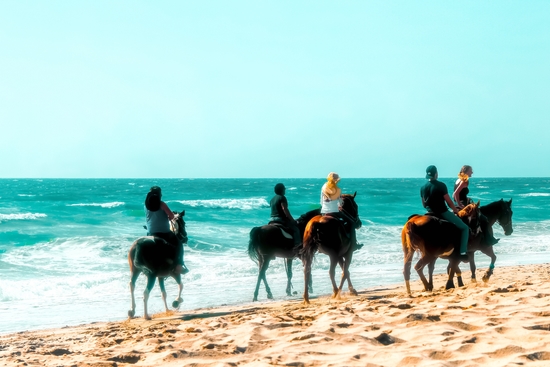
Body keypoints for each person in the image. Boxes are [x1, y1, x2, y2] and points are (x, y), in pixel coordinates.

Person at [420, 165, 469, 262]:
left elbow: (424, 204)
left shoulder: (423, 187)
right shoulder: (441, 185)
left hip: (429, 213)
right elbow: (449, 202)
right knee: (465, 228)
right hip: (442, 212)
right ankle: (463, 252)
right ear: (436, 174)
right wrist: (455, 210)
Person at [145, 186, 188, 275]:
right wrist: (171, 216)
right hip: (164, 232)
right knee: (179, 244)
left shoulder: (146, 205)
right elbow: (171, 216)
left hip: (150, 232)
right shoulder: (162, 204)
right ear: (159, 194)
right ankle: (179, 266)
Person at [453, 165, 499, 245]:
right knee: (483, 219)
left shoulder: (458, 180)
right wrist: (460, 204)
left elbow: (458, 194)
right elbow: (455, 194)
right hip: (464, 205)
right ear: (466, 171)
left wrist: (460, 201)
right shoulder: (464, 181)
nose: (472, 172)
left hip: (462, 203)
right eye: (471, 171)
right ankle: (488, 240)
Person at [320, 172, 358, 247]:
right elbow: (340, 203)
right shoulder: (337, 189)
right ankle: (354, 244)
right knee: (352, 223)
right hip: (334, 211)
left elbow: (321, 201)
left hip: (324, 211)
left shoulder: (324, 187)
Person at [269, 183, 301, 248]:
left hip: (272, 219)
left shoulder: (272, 199)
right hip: (280, 219)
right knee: (296, 230)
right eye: (284, 189)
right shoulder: (282, 197)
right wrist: (292, 220)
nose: (284, 190)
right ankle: (297, 246)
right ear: (282, 190)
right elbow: (284, 209)